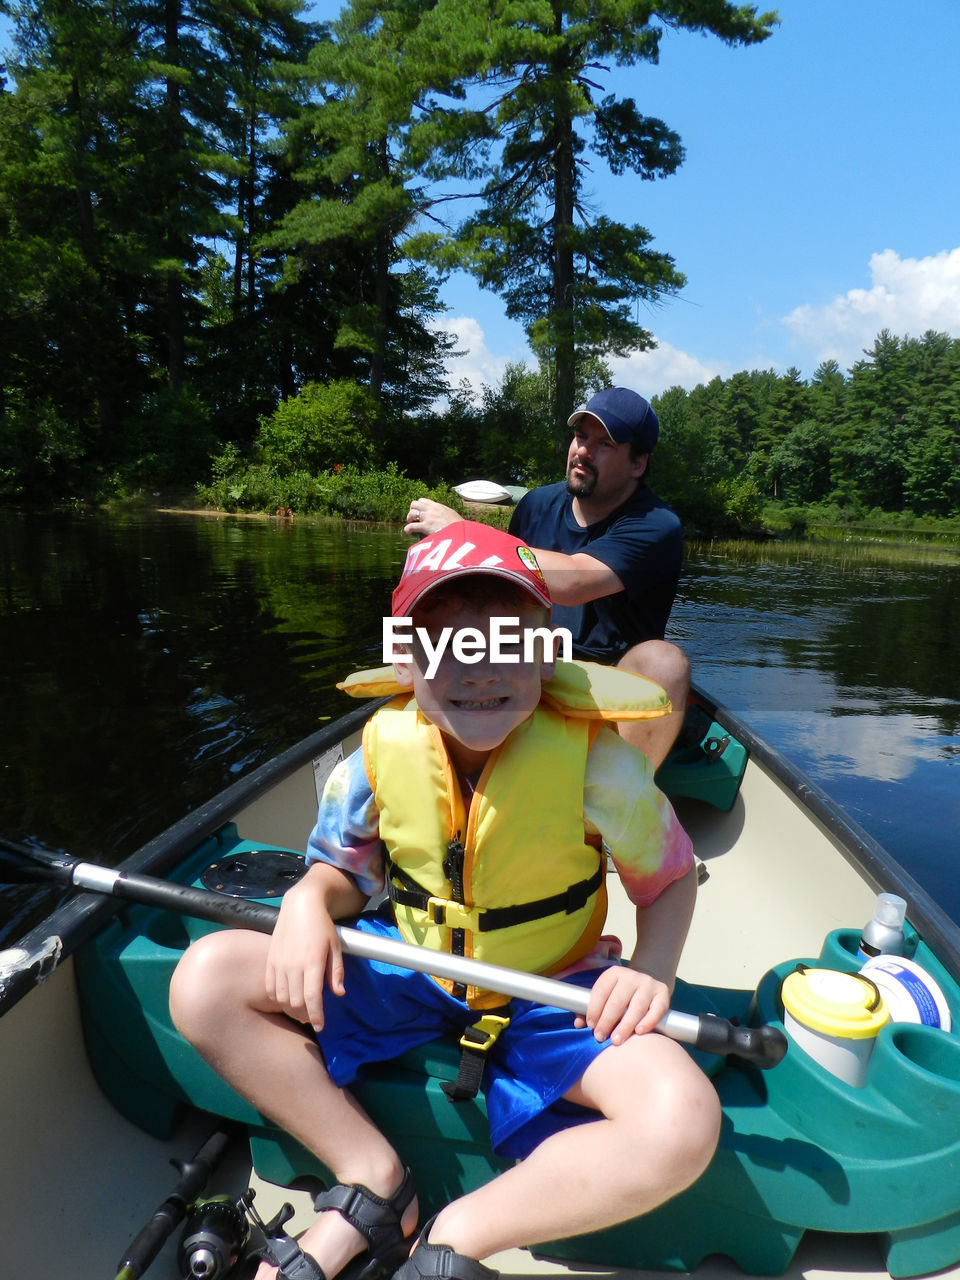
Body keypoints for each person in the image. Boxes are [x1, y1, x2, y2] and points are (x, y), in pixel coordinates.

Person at [169, 521, 720, 1280]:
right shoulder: (379, 751)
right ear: (407, 657)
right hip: (411, 968)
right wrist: (306, 899)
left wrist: (652, 969)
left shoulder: (600, 764)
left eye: (506, 643)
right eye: (449, 647)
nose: (479, 670)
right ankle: (372, 1179)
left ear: (543, 652)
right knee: (206, 983)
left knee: (681, 1119)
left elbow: (669, 879)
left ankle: (459, 1234)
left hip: (551, 987)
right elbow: (340, 872)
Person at [404, 388, 688, 768]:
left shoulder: (656, 525)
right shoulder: (536, 504)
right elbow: (502, 591)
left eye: (604, 444)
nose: (583, 451)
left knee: (665, 662)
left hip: (612, 680)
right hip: (536, 663)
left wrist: (465, 534)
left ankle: (617, 801)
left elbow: (573, 583)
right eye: (581, 437)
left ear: (638, 464)